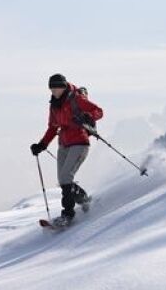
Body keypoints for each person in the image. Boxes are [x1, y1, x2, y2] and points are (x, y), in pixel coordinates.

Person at [30, 74, 103, 227]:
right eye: (51, 88)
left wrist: (87, 117)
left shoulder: (76, 99)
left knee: (65, 177)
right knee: (63, 181)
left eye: (57, 88)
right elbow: (53, 128)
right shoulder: (54, 104)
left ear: (64, 87)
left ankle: (68, 215)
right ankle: (84, 199)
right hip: (64, 144)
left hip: (80, 143)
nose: (54, 91)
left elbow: (98, 111)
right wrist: (41, 145)